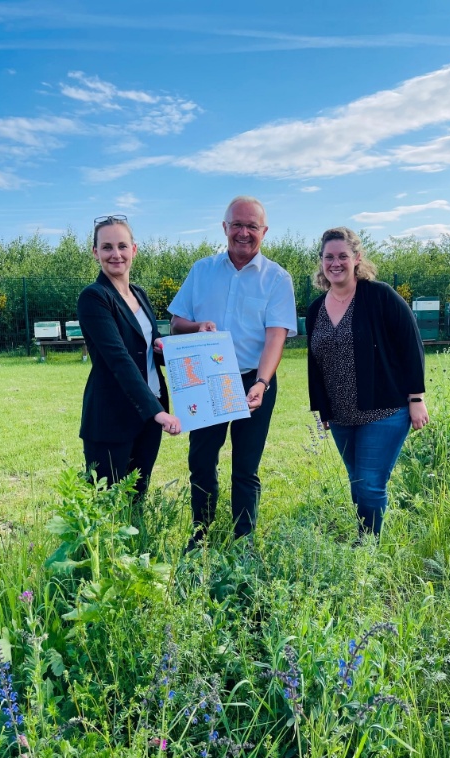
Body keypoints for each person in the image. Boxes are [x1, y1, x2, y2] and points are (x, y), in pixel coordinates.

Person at [168, 196, 297, 546]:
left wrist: (262, 382)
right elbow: (176, 323)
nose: (243, 232)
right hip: (206, 381)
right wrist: (197, 327)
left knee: (245, 467)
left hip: (253, 380)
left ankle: (244, 542)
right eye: (236, 225)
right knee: (201, 461)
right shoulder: (202, 271)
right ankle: (201, 536)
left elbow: (276, 337)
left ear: (264, 231)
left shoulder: (277, 279)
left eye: (252, 226)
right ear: (224, 228)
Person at [306, 226, 428, 539]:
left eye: (342, 256)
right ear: (321, 261)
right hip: (342, 415)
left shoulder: (379, 296)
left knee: (371, 485)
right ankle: (365, 541)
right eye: (329, 257)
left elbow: (411, 344)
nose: (336, 263)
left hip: (384, 409)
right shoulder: (316, 309)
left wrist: (416, 398)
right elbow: (315, 363)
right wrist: (322, 409)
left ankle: (367, 551)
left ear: (357, 258)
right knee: (358, 482)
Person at [77, 214, 182, 502]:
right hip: (112, 416)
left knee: (137, 498)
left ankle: (135, 548)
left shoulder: (140, 294)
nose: (116, 254)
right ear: (95, 252)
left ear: (134, 250)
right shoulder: (94, 297)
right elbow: (118, 359)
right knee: (105, 507)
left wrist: (190, 342)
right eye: (107, 247)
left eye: (122, 246)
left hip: (149, 413)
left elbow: (148, 347)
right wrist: (155, 411)